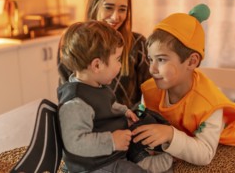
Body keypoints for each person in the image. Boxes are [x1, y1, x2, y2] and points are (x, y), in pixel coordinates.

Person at [131, 4, 235, 168]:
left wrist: (170, 134)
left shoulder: (209, 104)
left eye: (161, 60)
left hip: (227, 143)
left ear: (192, 61)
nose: (152, 69)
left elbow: (205, 154)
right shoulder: (151, 89)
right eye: (151, 59)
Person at [57, 20, 172, 173]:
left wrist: (124, 111)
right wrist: (111, 141)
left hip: (109, 154)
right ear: (97, 65)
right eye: (118, 59)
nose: (120, 65)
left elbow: (107, 104)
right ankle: (139, 162)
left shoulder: (95, 84)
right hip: (95, 166)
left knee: (144, 118)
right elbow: (75, 143)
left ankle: (140, 157)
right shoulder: (75, 103)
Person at [57, 0, 151, 109]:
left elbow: (149, 95)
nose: (115, 17)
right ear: (95, 5)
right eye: (108, 7)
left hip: (130, 125)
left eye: (122, 9)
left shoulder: (139, 44)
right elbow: (66, 97)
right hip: (89, 126)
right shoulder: (72, 43)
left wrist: (136, 119)